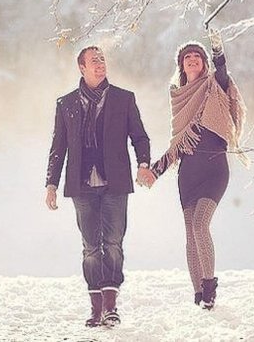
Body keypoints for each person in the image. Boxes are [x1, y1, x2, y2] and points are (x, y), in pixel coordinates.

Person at [44, 46, 154, 327]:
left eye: (102, 59)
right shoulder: (66, 103)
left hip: (115, 182)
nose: (100, 64)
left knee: (113, 243)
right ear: (82, 68)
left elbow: (140, 137)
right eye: (94, 61)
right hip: (81, 185)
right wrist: (51, 184)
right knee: (91, 247)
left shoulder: (124, 99)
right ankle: (96, 309)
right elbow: (58, 147)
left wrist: (143, 164)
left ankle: (111, 306)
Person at [150, 30, 247, 310]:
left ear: (204, 63)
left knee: (201, 224)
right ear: (181, 65)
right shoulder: (178, 97)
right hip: (188, 175)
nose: (192, 59)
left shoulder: (215, 85)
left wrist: (217, 50)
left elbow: (223, 71)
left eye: (197, 56)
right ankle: (198, 294)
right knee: (190, 233)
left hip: (215, 170)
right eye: (187, 57)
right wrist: (154, 172)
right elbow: (177, 146)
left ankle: (209, 287)